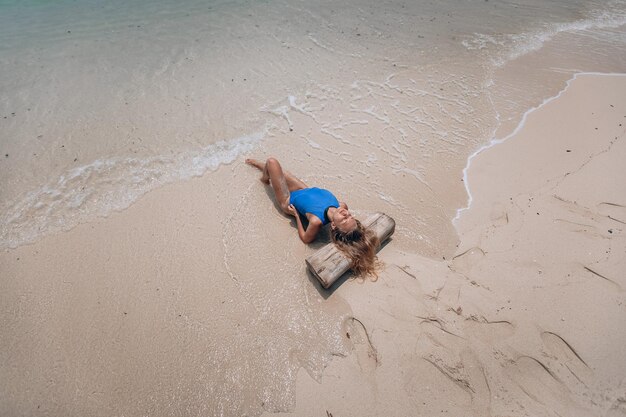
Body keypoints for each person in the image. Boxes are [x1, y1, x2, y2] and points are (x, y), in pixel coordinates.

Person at [246, 157, 380, 277]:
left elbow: (305, 239)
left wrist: (297, 215)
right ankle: (264, 170)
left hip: (288, 200)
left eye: (344, 220)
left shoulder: (316, 221)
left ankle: (264, 178)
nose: (346, 214)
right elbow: (323, 202)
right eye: (350, 217)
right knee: (277, 170)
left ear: (333, 225)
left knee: (272, 162)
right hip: (304, 190)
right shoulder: (342, 206)